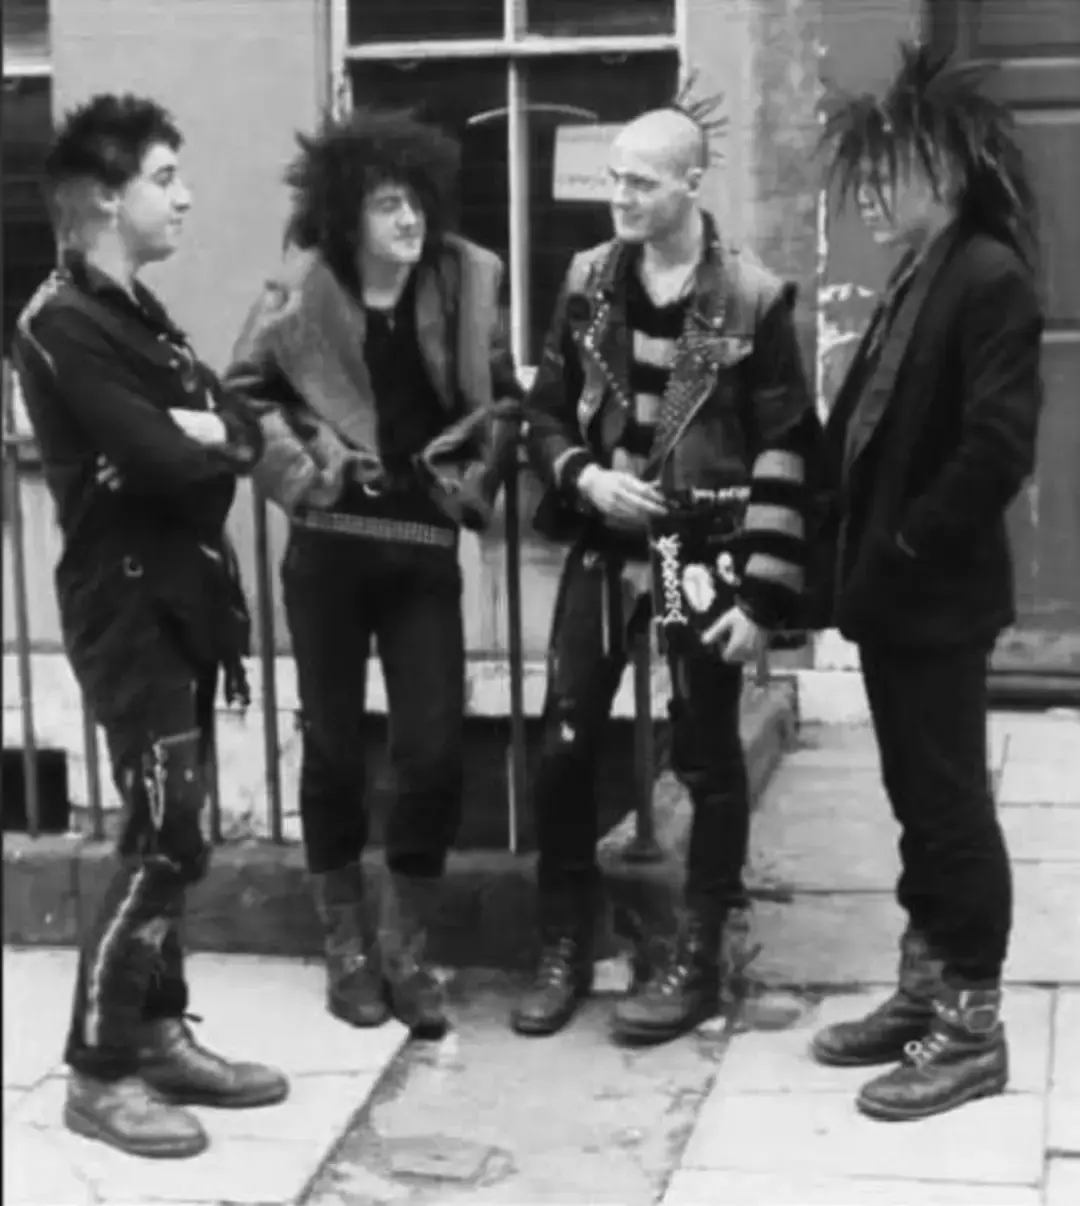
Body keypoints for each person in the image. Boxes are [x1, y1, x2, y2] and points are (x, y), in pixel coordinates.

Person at [11, 94, 288, 1159]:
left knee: (177, 824)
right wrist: (197, 443)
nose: (185, 197)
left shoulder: (139, 317)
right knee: (165, 833)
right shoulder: (57, 324)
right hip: (125, 608)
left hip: (185, 596)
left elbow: (240, 432)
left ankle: (160, 1032)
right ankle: (98, 1069)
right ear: (103, 198)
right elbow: (174, 460)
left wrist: (202, 437)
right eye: (164, 179)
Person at [513, 97, 819, 1045]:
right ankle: (565, 942)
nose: (620, 197)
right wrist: (584, 476)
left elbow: (787, 447)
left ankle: (699, 957)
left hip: (702, 549)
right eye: (613, 178)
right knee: (562, 745)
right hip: (607, 541)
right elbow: (544, 413)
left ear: (691, 183)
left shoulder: (751, 298)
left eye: (640, 182)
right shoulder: (588, 281)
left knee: (708, 758)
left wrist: (762, 594)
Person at [225, 107, 522, 1041]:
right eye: (387, 204)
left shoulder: (469, 282)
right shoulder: (298, 292)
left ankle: (406, 948)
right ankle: (345, 947)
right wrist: (308, 475)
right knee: (334, 752)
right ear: (345, 213)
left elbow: (506, 404)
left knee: (432, 752)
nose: (408, 219)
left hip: (423, 551)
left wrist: (467, 482)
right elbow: (241, 398)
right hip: (329, 552)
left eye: (416, 201)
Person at [809, 42, 1044, 1121]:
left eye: (886, 167)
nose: (870, 187)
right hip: (893, 598)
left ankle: (974, 1028)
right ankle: (926, 986)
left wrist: (906, 543)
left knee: (951, 808)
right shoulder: (918, 273)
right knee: (915, 801)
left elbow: (998, 447)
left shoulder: (988, 277)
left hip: (936, 598)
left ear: (943, 168)